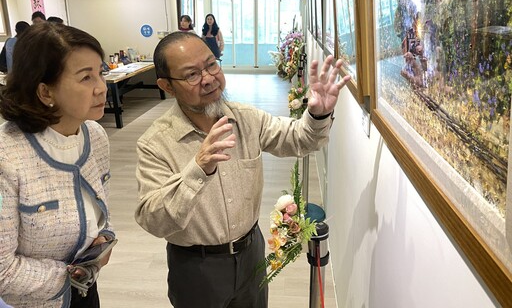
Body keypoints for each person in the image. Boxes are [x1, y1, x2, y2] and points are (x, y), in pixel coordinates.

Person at [134, 31, 350, 308]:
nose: (209, 78)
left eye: (212, 64)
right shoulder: (156, 143)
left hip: (251, 253)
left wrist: (318, 114)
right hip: (195, 267)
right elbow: (153, 219)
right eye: (192, 75)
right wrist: (198, 168)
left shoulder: (246, 119)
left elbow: (300, 139)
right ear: (166, 86)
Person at [0, 22, 116, 308]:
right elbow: (3, 271)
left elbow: (100, 208)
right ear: (45, 92)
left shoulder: (95, 136)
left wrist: (104, 238)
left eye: (100, 73)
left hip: (86, 289)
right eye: (86, 78)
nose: (101, 88)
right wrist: (70, 276)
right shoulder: (7, 155)